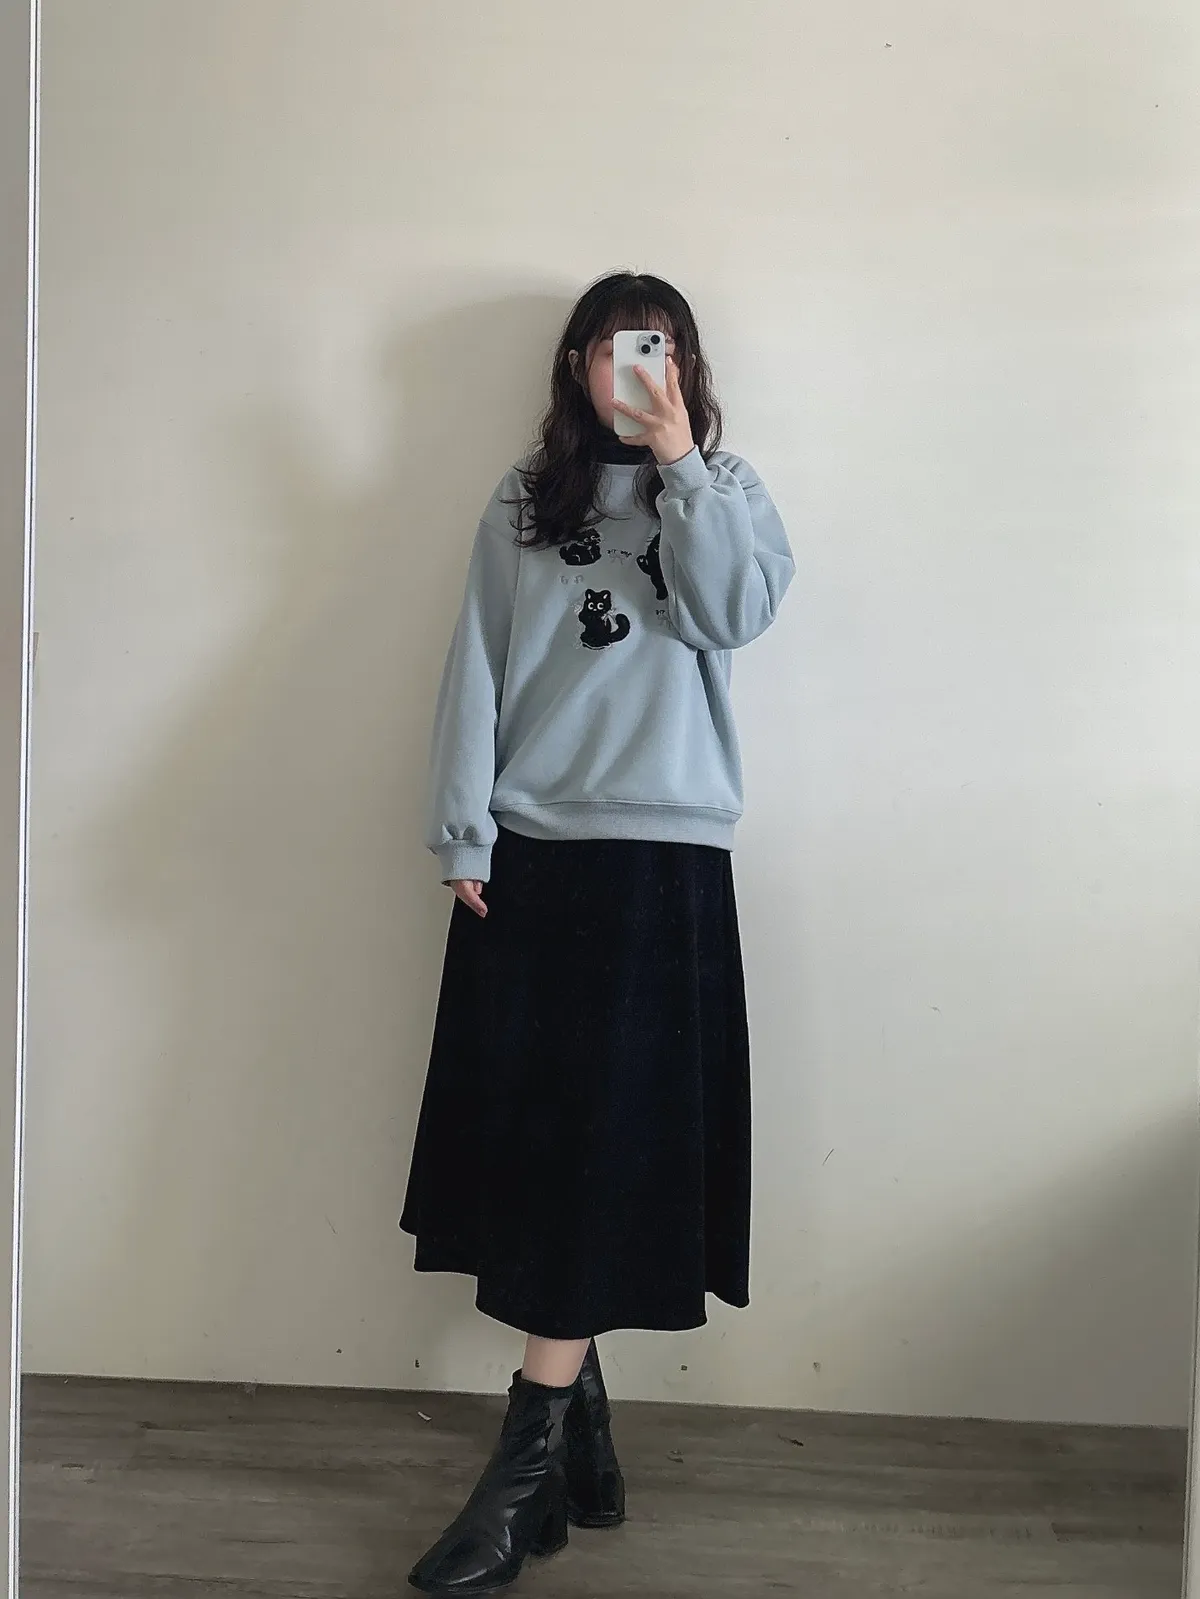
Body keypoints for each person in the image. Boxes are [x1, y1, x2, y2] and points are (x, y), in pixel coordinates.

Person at [400, 270, 795, 1596]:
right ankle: (583, 1446)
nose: (635, 368)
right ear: (575, 364)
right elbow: (475, 662)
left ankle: (523, 1475)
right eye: (615, 348)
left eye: (660, 348)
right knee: (546, 1149)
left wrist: (682, 462)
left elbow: (734, 614)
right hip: (530, 853)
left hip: (663, 863)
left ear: (685, 365)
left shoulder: (726, 492)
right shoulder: (525, 502)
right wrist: (462, 830)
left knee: (604, 1146)